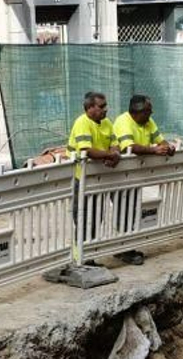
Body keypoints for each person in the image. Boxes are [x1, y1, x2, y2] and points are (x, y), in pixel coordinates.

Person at [109, 94, 177, 265]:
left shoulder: (147, 122)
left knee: (130, 208)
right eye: (148, 110)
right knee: (123, 209)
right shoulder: (123, 122)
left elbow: (160, 140)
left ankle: (126, 247)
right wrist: (154, 151)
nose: (151, 113)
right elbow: (129, 147)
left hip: (135, 174)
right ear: (138, 112)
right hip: (119, 174)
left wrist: (168, 147)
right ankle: (123, 248)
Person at [66, 92, 120, 254]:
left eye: (105, 106)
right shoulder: (82, 123)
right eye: (101, 106)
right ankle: (79, 257)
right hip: (81, 178)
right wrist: (110, 155)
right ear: (89, 108)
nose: (106, 109)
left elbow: (115, 144)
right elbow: (85, 150)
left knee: (96, 218)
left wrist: (114, 153)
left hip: (98, 178)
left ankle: (88, 255)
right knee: (84, 218)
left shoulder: (107, 123)